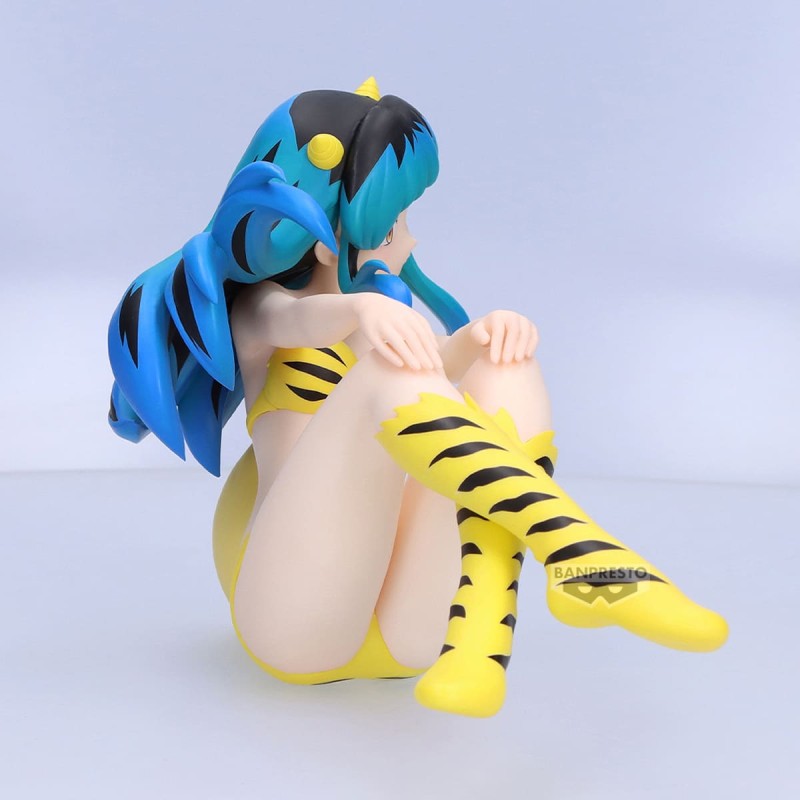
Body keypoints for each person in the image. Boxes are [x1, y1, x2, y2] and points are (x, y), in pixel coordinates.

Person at [108, 79, 727, 718]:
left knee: (503, 359)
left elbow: (438, 374)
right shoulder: (264, 315)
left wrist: (481, 340)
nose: (410, 241)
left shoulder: (384, 316)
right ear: (325, 240)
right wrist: (359, 311)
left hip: (415, 632)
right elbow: (296, 322)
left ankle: (482, 635)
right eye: (394, 225)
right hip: (297, 616)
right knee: (387, 372)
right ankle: (580, 549)